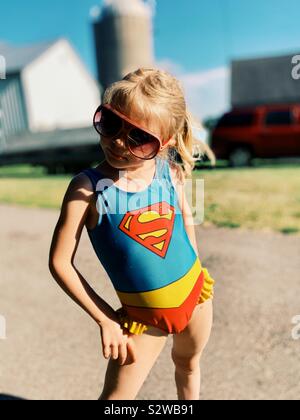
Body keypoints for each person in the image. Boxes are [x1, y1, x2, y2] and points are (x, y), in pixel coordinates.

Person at [48, 67, 216, 400]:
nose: (118, 141)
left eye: (138, 137)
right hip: (143, 319)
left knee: (189, 366)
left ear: (165, 142)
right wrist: (107, 320)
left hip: (197, 297)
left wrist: (196, 264)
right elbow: (60, 263)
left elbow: (184, 217)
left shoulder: (170, 171)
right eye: (110, 123)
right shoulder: (88, 189)